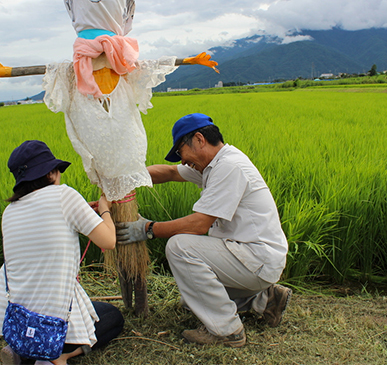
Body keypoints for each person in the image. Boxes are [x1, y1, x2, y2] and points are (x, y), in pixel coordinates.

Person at [116, 113, 291, 348]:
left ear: (199, 139)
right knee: (193, 299)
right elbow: (169, 172)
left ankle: (228, 331)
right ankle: (265, 300)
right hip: (249, 258)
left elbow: (199, 224)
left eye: (181, 151)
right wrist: (126, 179)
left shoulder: (229, 166)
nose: (184, 161)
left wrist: (148, 229)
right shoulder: (213, 164)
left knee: (179, 247)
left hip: (256, 260)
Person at [0, 140, 124, 365]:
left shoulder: (9, 212)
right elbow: (109, 241)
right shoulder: (64, 196)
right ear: (50, 173)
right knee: (112, 317)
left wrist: (81, 212)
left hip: (20, 321)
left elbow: (44, 228)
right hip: (53, 325)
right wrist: (105, 209)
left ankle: (25, 352)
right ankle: (59, 355)